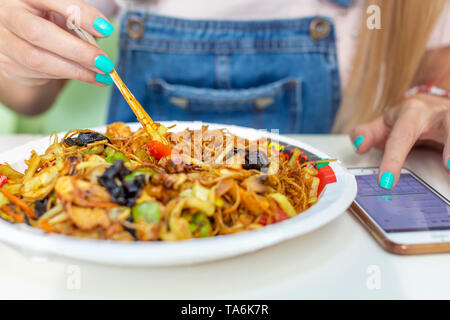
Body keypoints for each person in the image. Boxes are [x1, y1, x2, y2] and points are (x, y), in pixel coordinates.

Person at [0, 0, 448, 190]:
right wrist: (18, 50)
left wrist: (432, 97)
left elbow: (437, 57)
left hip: (319, 217)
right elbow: (28, 98)